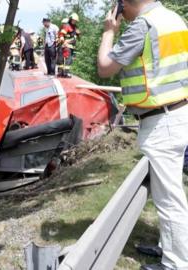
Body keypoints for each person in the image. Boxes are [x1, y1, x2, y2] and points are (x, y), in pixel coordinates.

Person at [98, 0, 188, 269]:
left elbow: (105, 67)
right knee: (170, 191)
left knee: (169, 199)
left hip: (162, 122)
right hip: (178, 111)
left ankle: (176, 264)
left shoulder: (143, 26)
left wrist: (108, 31)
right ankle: (167, 247)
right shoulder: (173, 19)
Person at [58, 13, 80, 78]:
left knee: (68, 59)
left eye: (75, 21)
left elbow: (77, 35)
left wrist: (78, 34)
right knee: (68, 59)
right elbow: (61, 34)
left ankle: (61, 72)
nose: (74, 21)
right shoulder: (67, 26)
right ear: (70, 19)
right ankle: (64, 73)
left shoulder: (75, 27)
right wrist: (62, 38)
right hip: (67, 45)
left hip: (72, 46)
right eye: (73, 20)